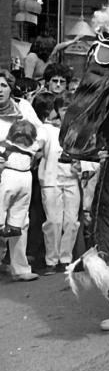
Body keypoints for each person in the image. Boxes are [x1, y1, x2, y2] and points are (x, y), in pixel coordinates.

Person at [32, 92, 81, 274]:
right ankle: (51, 260)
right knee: (53, 221)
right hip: (51, 180)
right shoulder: (47, 130)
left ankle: (66, 259)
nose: (67, 112)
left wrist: (81, 165)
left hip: (71, 179)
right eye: (63, 109)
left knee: (71, 222)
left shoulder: (77, 130)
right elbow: (37, 142)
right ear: (57, 111)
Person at [0, 71, 41, 282]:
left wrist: (31, 150)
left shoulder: (23, 106)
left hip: (21, 173)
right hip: (3, 172)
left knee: (19, 222)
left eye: (3, 85)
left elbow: (40, 132)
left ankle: (20, 268)